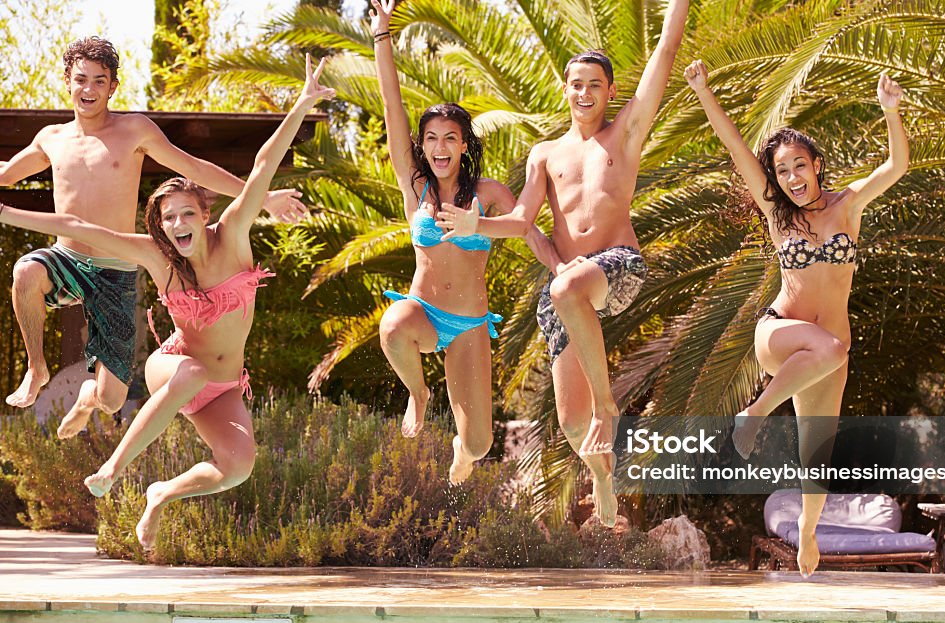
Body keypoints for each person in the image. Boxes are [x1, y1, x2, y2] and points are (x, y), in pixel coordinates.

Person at [0, 55, 334, 550]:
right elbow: (78, 228)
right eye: (168, 217)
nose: (178, 225)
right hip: (176, 367)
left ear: (205, 214)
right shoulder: (157, 256)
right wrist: (5, 210)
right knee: (186, 370)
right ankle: (112, 468)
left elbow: (262, 166)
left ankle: (159, 493)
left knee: (238, 468)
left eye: (186, 214)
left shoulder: (234, 237)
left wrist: (302, 103)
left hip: (222, 385)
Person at [437, 0, 691, 525]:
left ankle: (609, 405)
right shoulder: (544, 154)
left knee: (565, 289)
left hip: (616, 266)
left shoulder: (624, 135)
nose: (584, 93)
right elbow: (521, 221)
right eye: (576, 83)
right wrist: (474, 225)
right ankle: (602, 474)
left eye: (594, 84)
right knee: (573, 423)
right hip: (569, 287)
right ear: (566, 89)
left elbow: (665, 49)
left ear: (611, 91)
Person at [0, 36, 305, 437]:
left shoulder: (134, 130)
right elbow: (5, 175)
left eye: (99, 80)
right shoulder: (50, 140)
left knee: (112, 399)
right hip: (68, 259)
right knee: (25, 272)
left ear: (113, 86)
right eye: (81, 79)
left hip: (116, 268)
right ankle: (37, 367)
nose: (88, 89)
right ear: (67, 81)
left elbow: (194, 167)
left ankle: (90, 395)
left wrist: (263, 197)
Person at [684, 59, 908, 576]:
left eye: (798, 167)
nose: (790, 178)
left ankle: (807, 535)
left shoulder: (847, 206)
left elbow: (895, 167)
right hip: (779, 334)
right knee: (831, 348)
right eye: (781, 171)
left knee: (816, 457)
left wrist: (891, 113)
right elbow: (737, 148)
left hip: (826, 356)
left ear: (817, 164)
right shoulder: (775, 211)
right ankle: (755, 413)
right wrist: (703, 91)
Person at [369, 0, 561, 485]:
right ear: (423, 145)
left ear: (464, 145)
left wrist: (560, 268)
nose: (439, 147)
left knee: (479, 443)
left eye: (449, 138)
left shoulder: (488, 194)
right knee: (392, 325)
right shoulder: (416, 189)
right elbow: (392, 109)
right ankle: (419, 393)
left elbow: (526, 228)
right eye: (431, 138)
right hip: (423, 313)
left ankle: (462, 447)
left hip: (469, 324)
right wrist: (382, 38)